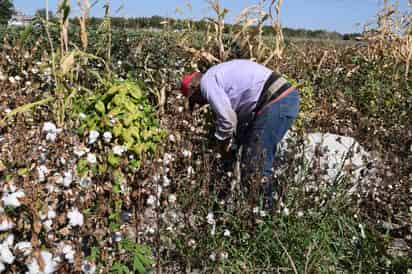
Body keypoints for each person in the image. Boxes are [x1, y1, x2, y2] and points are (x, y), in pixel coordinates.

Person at [180, 59, 300, 209]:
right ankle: (261, 210)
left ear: (194, 88)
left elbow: (227, 119)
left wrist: (220, 143)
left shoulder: (207, 83)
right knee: (251, 159)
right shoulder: (217, 75)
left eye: (195, 100)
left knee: (256, 166)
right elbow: (238, 117)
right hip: (280, 100)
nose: (200, 104)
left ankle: (268, 216)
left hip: (276, 101)